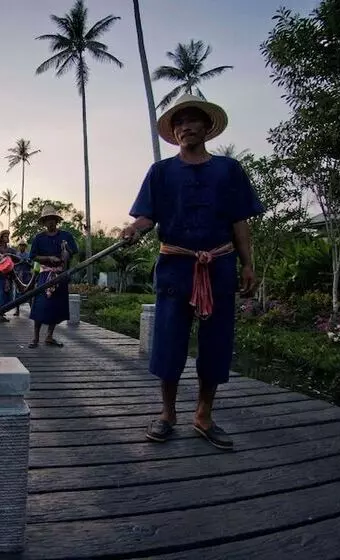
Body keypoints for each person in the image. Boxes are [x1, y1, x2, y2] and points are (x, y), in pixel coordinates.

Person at [120, 93, 264, 450]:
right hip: (175, 267)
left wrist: (248, 265)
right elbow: (147, 216)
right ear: (174, 131)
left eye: (193, 120)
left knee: (216, 343)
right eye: (179, 122)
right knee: (169, 341)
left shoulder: (228, 170)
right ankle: (167, 414)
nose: (186, 126)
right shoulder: (161, 172)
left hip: (219, 264)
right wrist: (132, 230)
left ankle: (204, 414)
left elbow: (239, 221)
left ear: (207, 127)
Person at [28, 205, 78, 348]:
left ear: (56, 221)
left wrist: (65, 250)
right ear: (44, 222)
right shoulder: (39, 238)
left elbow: (73, 252)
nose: (50, 222)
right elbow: (33, 257)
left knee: (56, 306)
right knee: (41, 305)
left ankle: (49, 336)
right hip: (45, 275)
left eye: (52, 219)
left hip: (61, 274)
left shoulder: (66, 236)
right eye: (47, 220)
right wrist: (49, 258)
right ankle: (36, 337)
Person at [0, 229, 18, 322]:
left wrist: (10, 255)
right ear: (1, 238)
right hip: (0, 275)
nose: (7, 238)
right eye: (5, 236)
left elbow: (18, 259)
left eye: (8, 236)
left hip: (10, 275)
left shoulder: (11, 250)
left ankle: (2, 313)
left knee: (8, 295)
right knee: (0, 295)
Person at [13, 241, 33, 316]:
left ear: (25, 246)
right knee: (17, 293)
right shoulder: (16, 255)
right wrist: (19, 262)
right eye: (21, 245)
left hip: (27, 275)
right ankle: (17, 310)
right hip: (19, 275)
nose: (22, 247)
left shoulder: (28, 254)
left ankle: (32, 310)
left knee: (29, 292)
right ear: (19, 246)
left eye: (23, 245)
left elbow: (32, 265)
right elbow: (13, 265)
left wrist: (27, 262)